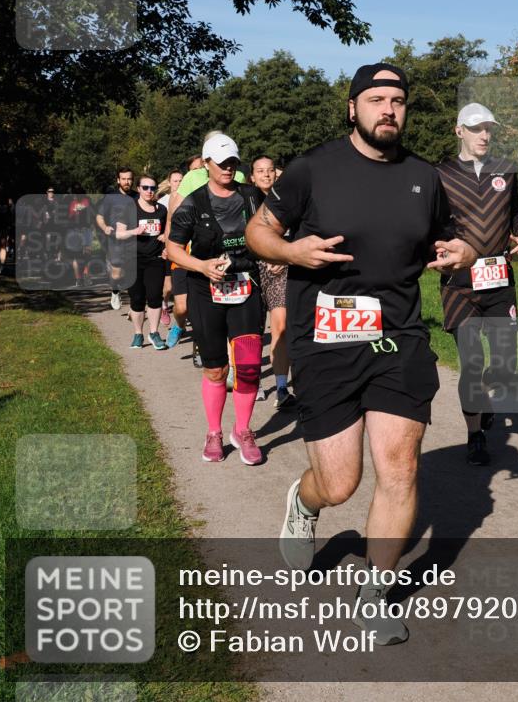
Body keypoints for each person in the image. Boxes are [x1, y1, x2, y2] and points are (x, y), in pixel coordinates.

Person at [245, 64, 476, 645]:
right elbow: (258, 232)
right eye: (376, 99)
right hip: (325, 341)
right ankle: (304, 499)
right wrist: (293, 252)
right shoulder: (311, 170)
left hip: (399, 339)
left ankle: (375, 592)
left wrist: (460, 252)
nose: (388, 109)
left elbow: (458, 237)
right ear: (353, 108)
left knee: (399, 467)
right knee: (341, 482)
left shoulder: (427, 177)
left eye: (398, 100)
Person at [436, 103, 518, 466]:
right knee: (472, 364)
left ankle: (486, 403)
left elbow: (516, 212)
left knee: (505, 364)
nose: (485, 135)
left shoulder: (505, 170)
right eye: (476, 128)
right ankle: (475, 435)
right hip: (459, 283)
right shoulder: (440, 174)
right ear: (459, 130)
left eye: (489, 128)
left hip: (499, 279)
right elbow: (430, 222)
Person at [166, 134, 266, 465]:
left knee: (249, 367)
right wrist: (202, 266)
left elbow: (273, 229)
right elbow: (173, 247)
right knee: (215, 369)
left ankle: (243, 430)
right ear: (206, 164)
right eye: (221, 163)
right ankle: (214, 433)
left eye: (233, 162)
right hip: (204, 290)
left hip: (245, 286)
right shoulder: (193, 203)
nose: (228, 168)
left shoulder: (252, 197)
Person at [164, 136, 228, 357]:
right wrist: (168, 240)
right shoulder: (191, 181)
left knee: (206, 308)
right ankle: (180, 325)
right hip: (186, 254)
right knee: (182, 307)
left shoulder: (232, 180)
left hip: (215, 256)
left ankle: (203, 346)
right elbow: (173, 213)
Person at [250, 155, 295, 409]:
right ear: (252, 177)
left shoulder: (289, 200)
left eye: (270, 170)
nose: (267, 175)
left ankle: (281, 387)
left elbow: (300, 233)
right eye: (261, 171)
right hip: (252, 271)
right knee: (252, 331)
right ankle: (252, 380)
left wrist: (284, 254)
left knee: (280, 327)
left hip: (282, 270)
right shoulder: (246, 199)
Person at [115, 175, 168, 350]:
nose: (149, 191)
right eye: (145, 188)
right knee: (137, 298)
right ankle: (138, 334)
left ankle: (154, 333)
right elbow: (119, 234)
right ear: (139, 189)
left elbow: (168, 230)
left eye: (152, 188)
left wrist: (164, 237)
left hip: (155, 260)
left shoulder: (161, 210)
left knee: (154, 296)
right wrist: (134, 231)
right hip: (133, 260)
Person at [96, 167, 137, 310]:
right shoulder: (110, 198)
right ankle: (115, 292)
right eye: (124, 179)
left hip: (134, 239)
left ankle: (135, 304)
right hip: (116, 240)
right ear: (118, 180)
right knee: (117, 273)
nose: (127, 182)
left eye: (129, 179)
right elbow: (99, 216)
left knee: (132, 271)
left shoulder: (138, 197)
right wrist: (105, 227)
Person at [158, 170, 183, 325]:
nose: (178, 183)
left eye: (181, 180)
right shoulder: (163, 202)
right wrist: (162, 235)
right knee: (168, 286)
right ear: (169, 183)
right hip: (167, 247)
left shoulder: (188, 198)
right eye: (175, 181)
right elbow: (158, 223)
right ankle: (164, 305)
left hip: (184, 246)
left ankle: (184, 318)